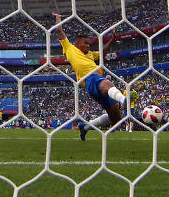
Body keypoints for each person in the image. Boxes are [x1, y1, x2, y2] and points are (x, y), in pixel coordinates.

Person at [53, 12, 124, 140]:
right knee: (107, 84)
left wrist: (112, 40)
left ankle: (85, 127)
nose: (87, 45)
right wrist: (58, 18)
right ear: (77, 44)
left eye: (89, 44)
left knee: (116, 118)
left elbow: (102, 53)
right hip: (90, 80)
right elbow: (59, 30)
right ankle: (125, 100)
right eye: (85, 43)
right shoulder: (70, 49)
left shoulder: (90, 54)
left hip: (98, 82)